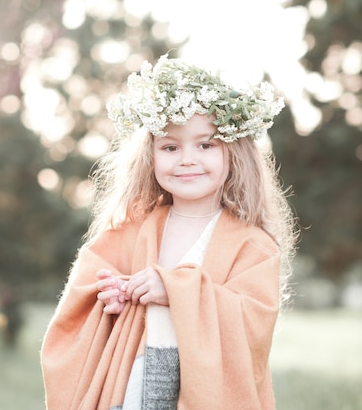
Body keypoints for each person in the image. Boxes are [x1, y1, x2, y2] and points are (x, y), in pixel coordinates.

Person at [41, 54, 298, 410]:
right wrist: (112, 298)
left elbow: (253, 322)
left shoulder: (252, 245)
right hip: (130, 390)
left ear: (235, 154)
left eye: (206, 145)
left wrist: (174, 289)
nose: (187, 159)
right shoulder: (131, 229)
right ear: (151, 156)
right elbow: (87, 287)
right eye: (171, 147)